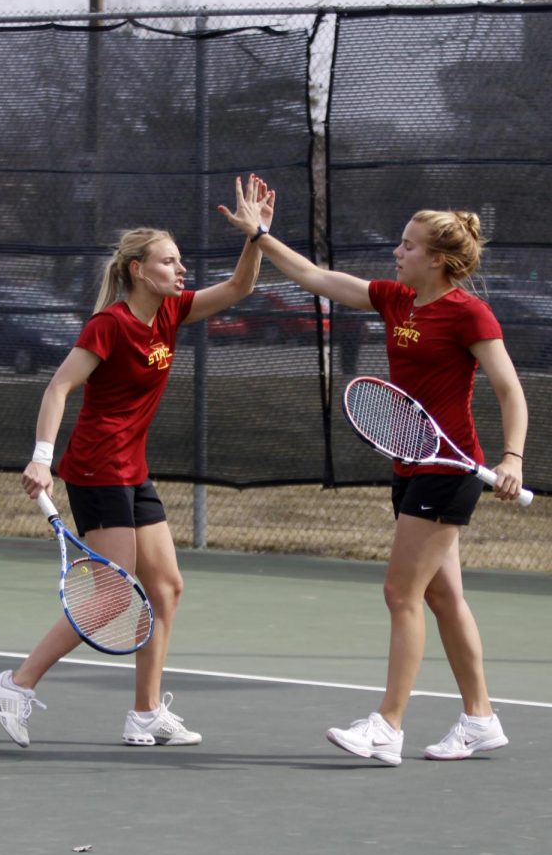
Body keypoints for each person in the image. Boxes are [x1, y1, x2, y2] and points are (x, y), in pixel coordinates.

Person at [219, 180, 528, 765]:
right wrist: (260, 235)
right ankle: (480, 718)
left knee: (400, 593)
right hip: (410, 466)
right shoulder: (395, 300)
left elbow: (511, 391)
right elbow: (314, 277)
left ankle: (387, 726)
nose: (397, 252)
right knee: (443, 597)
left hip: (448, 468)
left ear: (438, 260)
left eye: (408, 246)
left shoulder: (469, 313)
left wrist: (512, 457)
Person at [0, 174, 275, 749]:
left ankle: (144, 713)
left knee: (165, 588)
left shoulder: (171, 313)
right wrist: (42, 459)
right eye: (169, 262)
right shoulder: (109, 325)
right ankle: (15, 683)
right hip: (96, 470)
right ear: (139, 270)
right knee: (115, 595)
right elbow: (58, 389)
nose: (181, 270)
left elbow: (240, 287)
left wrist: (256, 235)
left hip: (132, 470)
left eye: (181, 262)